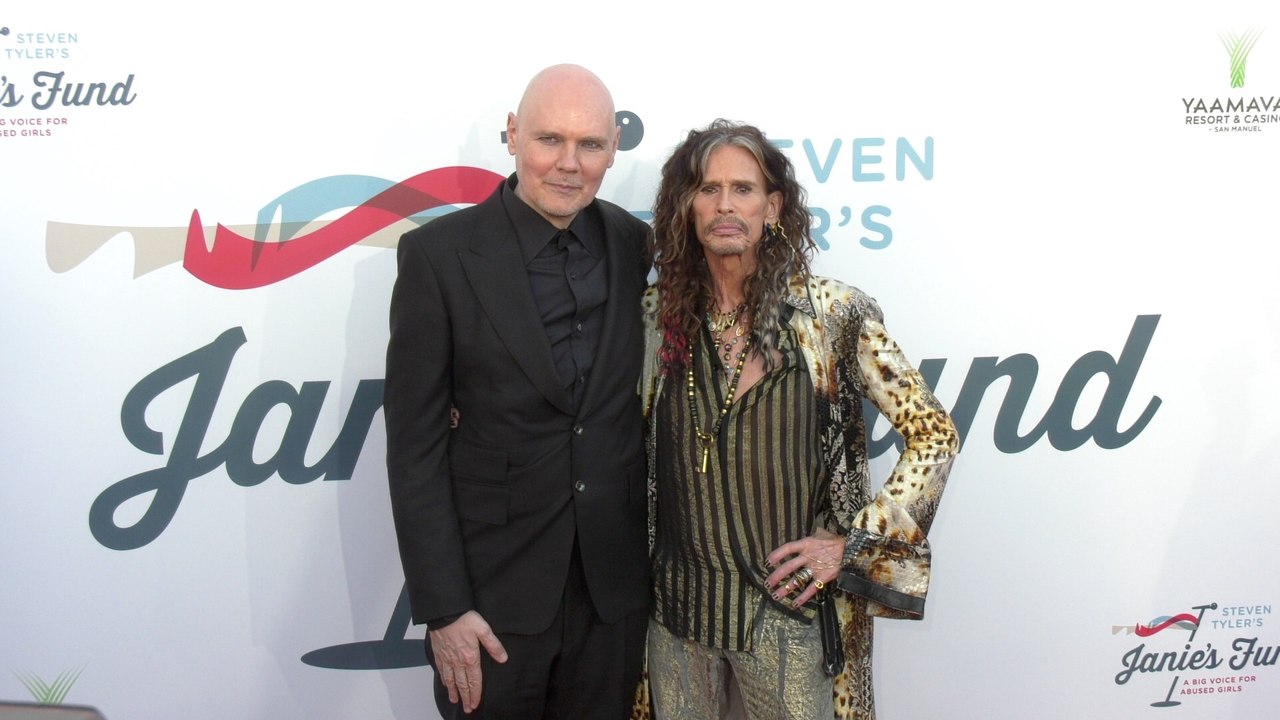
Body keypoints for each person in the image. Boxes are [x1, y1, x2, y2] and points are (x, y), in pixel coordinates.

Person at [635, 119, 959, 720]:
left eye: (743, 189)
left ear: (773, 206)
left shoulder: (832, 315)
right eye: (707, 189)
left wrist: (855, 547)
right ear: (686, 207)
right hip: (675, 616)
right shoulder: (654, 318)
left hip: (788, 619)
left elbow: (934, 435)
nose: (725, 205)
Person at [384, 64, 651, 719]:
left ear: (614, 149)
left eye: (589, 145)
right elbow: (413, 449)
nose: (568, 164)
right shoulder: (438, 258)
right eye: (548, 140)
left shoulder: (631, 242)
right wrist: (444, 609)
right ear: (512, 136)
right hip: (491, 604)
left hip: (610, 602)